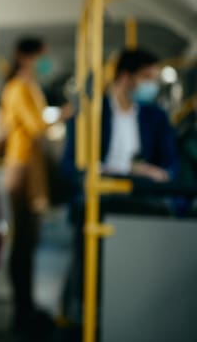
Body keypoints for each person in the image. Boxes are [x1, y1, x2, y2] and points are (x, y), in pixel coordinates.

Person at [60, 47, 179, 321]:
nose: (151, 86)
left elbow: (170, 162)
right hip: (102, 196)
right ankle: (85, 314)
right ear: (126, 77)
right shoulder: (91, 113)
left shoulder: (155, 117)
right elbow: (70, 166)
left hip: (143, 198)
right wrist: (126, 169)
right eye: (147, 78)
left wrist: (159, 174)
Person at [0, 37, 70, 333]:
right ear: (24, 57)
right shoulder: (18, 87)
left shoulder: (30, 87)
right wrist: (63, 117)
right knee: (24, 241)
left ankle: (26, 305)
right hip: (22, 167)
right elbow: (36, 126)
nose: (45, 62)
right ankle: (22, 309)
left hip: (31, 166)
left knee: (29, 241)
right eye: (40, 56)